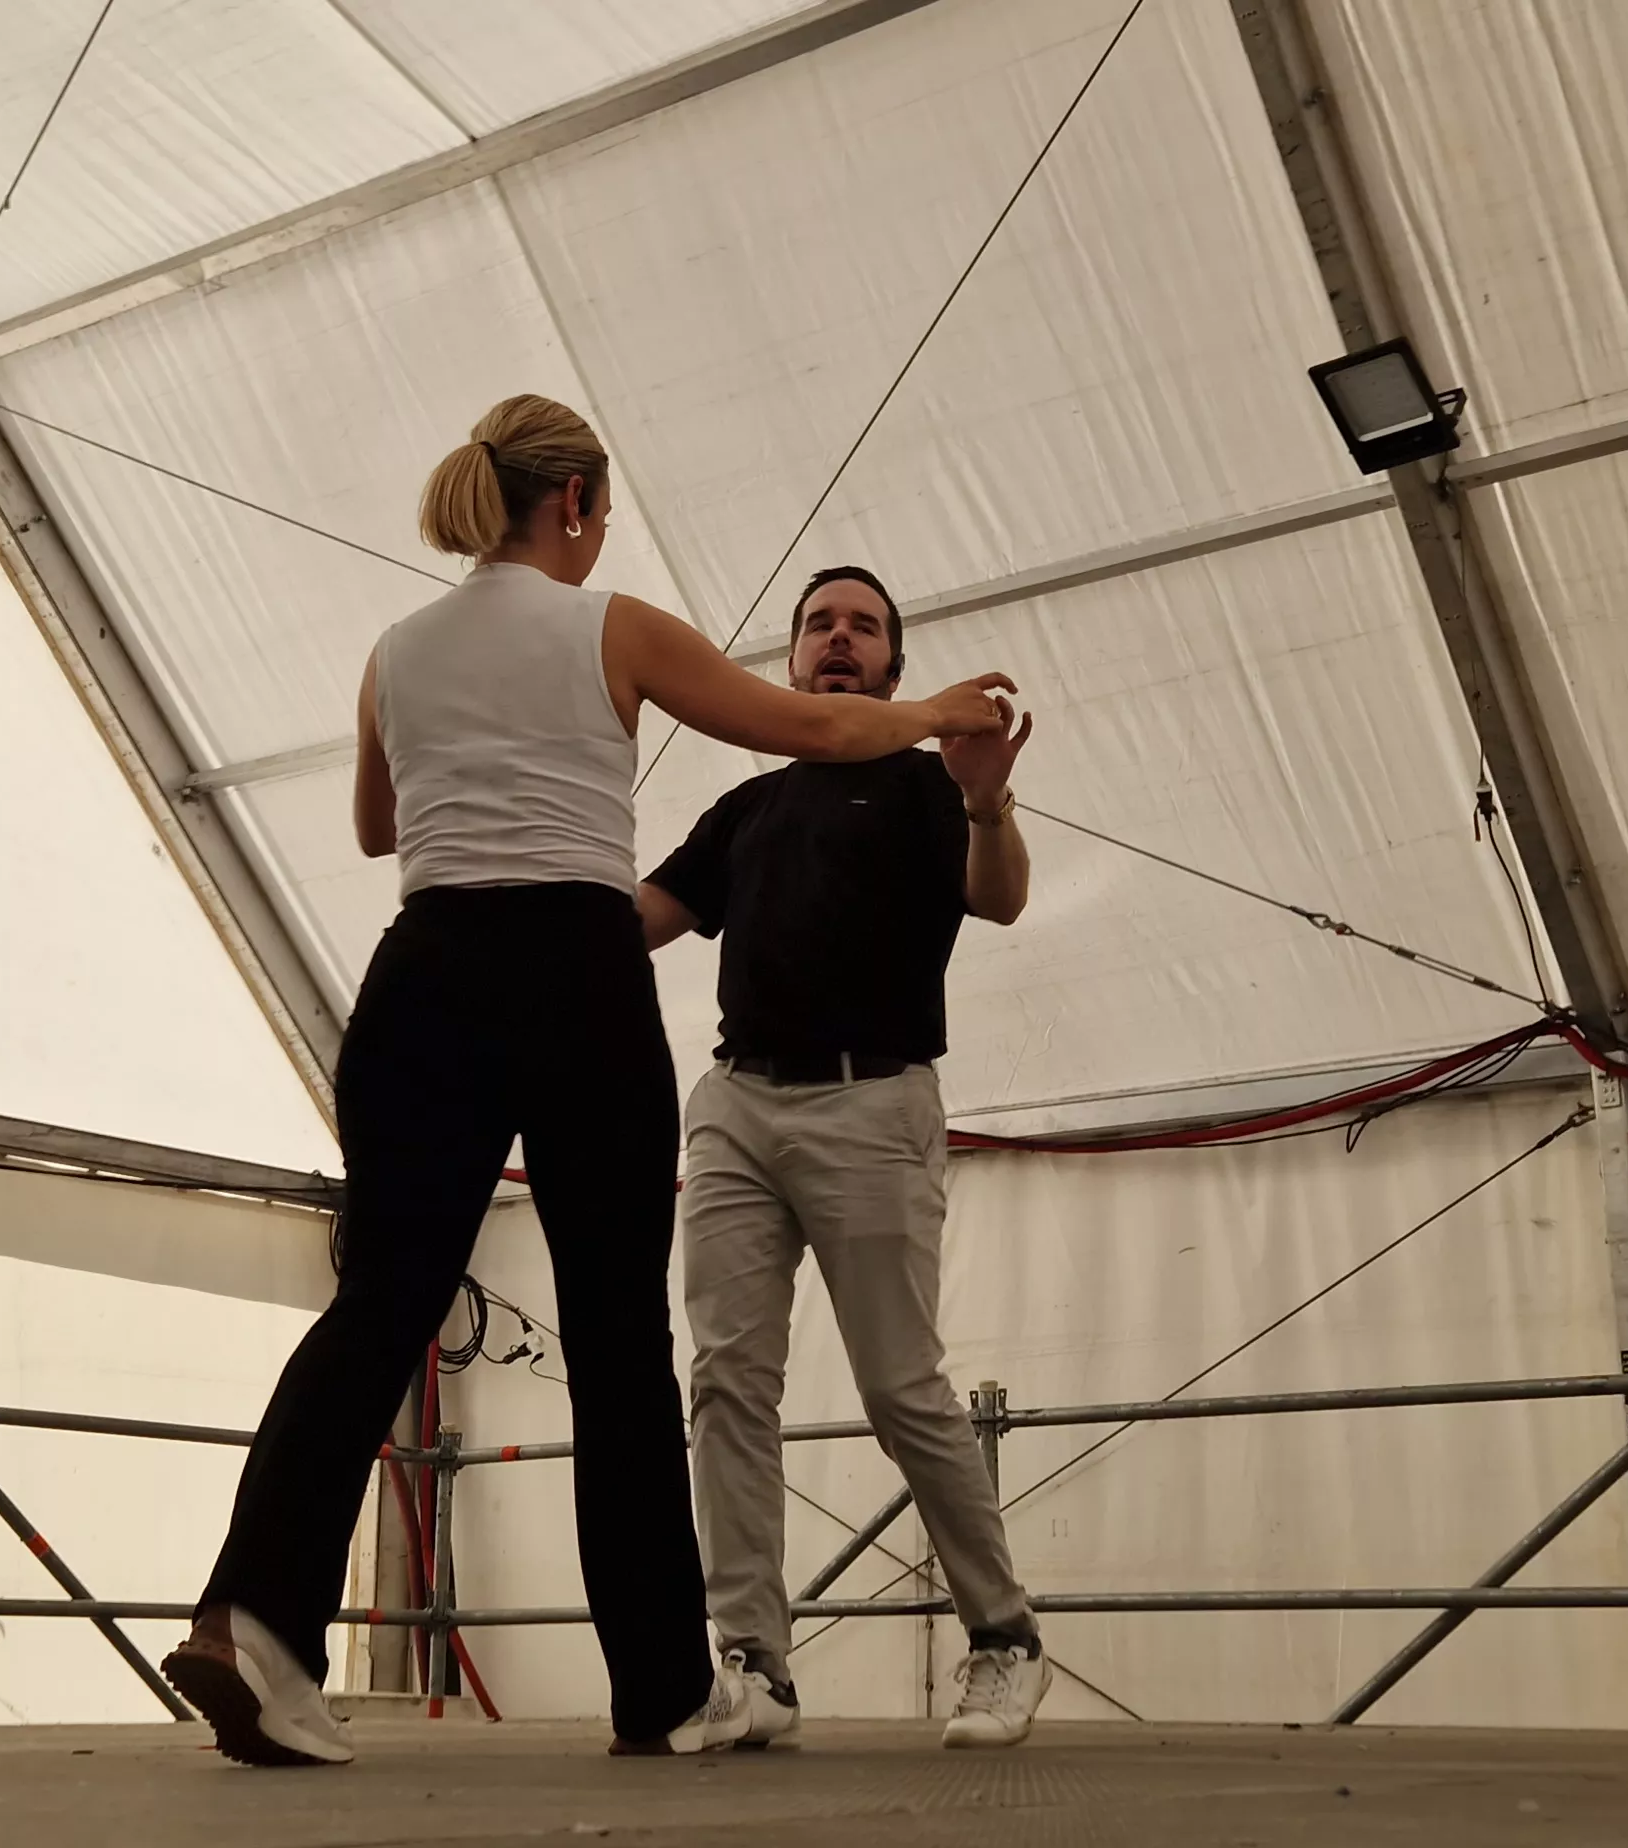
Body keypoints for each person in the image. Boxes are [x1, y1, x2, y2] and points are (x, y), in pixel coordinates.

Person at [160, 397, 1020, 1766]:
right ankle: (664, 1688)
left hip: (422, 967)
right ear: (570, 503)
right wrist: (936, 710)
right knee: (617, 1338)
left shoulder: (396, 651)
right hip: (570, 964)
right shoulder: (612, 626)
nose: (603, 531)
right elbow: (810, 726)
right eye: (602, 512)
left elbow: (381, 825)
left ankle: (252, 1623)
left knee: (378, 1303)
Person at [635, 563, 1050, 1750]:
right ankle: (754, 1668)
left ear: (893, 668)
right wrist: (518, 924)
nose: (838, 638)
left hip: (875, 1107)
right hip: (734, 1107)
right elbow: (641, 923)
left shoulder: (931, 790)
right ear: (790, 662)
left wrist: (984, 804)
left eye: (864, 627)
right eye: (819, 623)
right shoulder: (747, 809)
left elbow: (1003, 901)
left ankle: (1005, 1639)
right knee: (725, 1382)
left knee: (900, 1389)